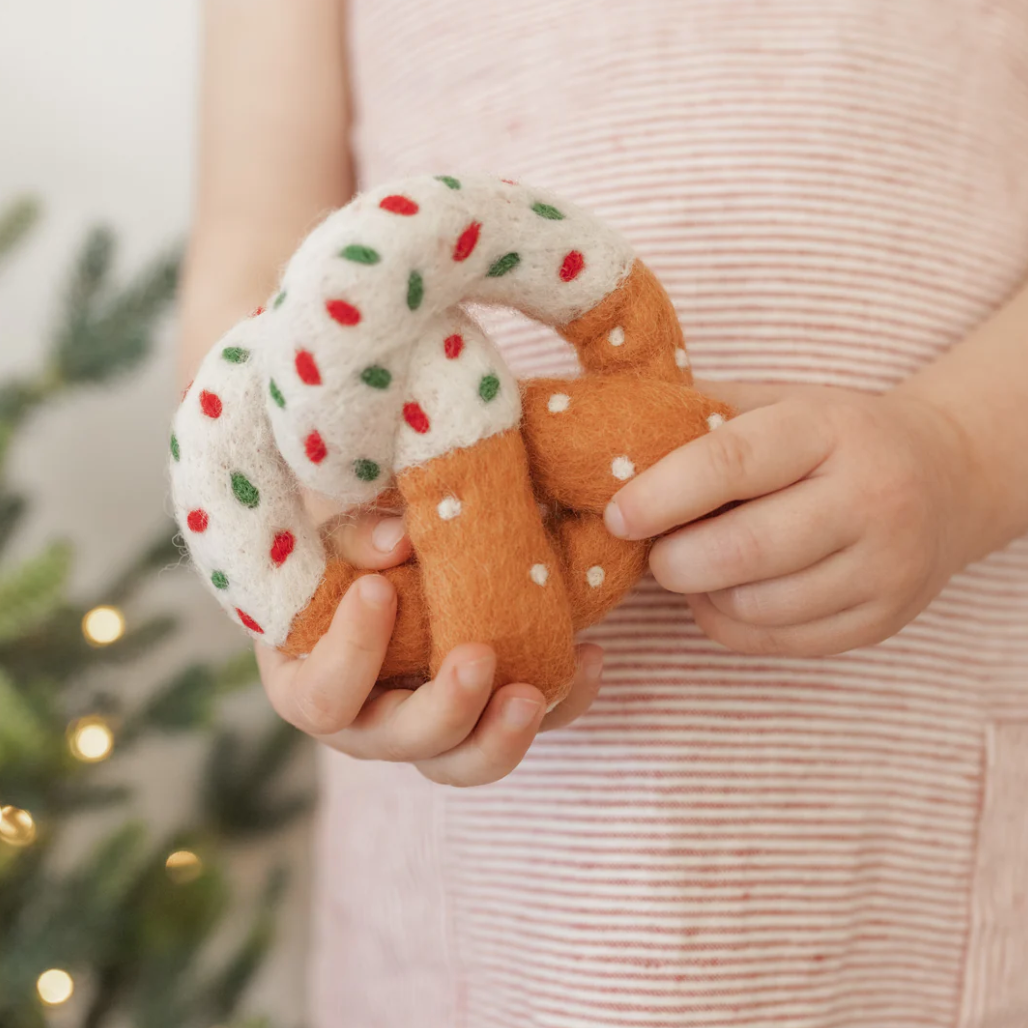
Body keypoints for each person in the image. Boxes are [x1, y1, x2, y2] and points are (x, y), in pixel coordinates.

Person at [178, 1, 1028, 1024]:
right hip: (482, 828)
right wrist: (316, 585)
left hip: (916, 756)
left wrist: (962, 451)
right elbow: (252, 249)